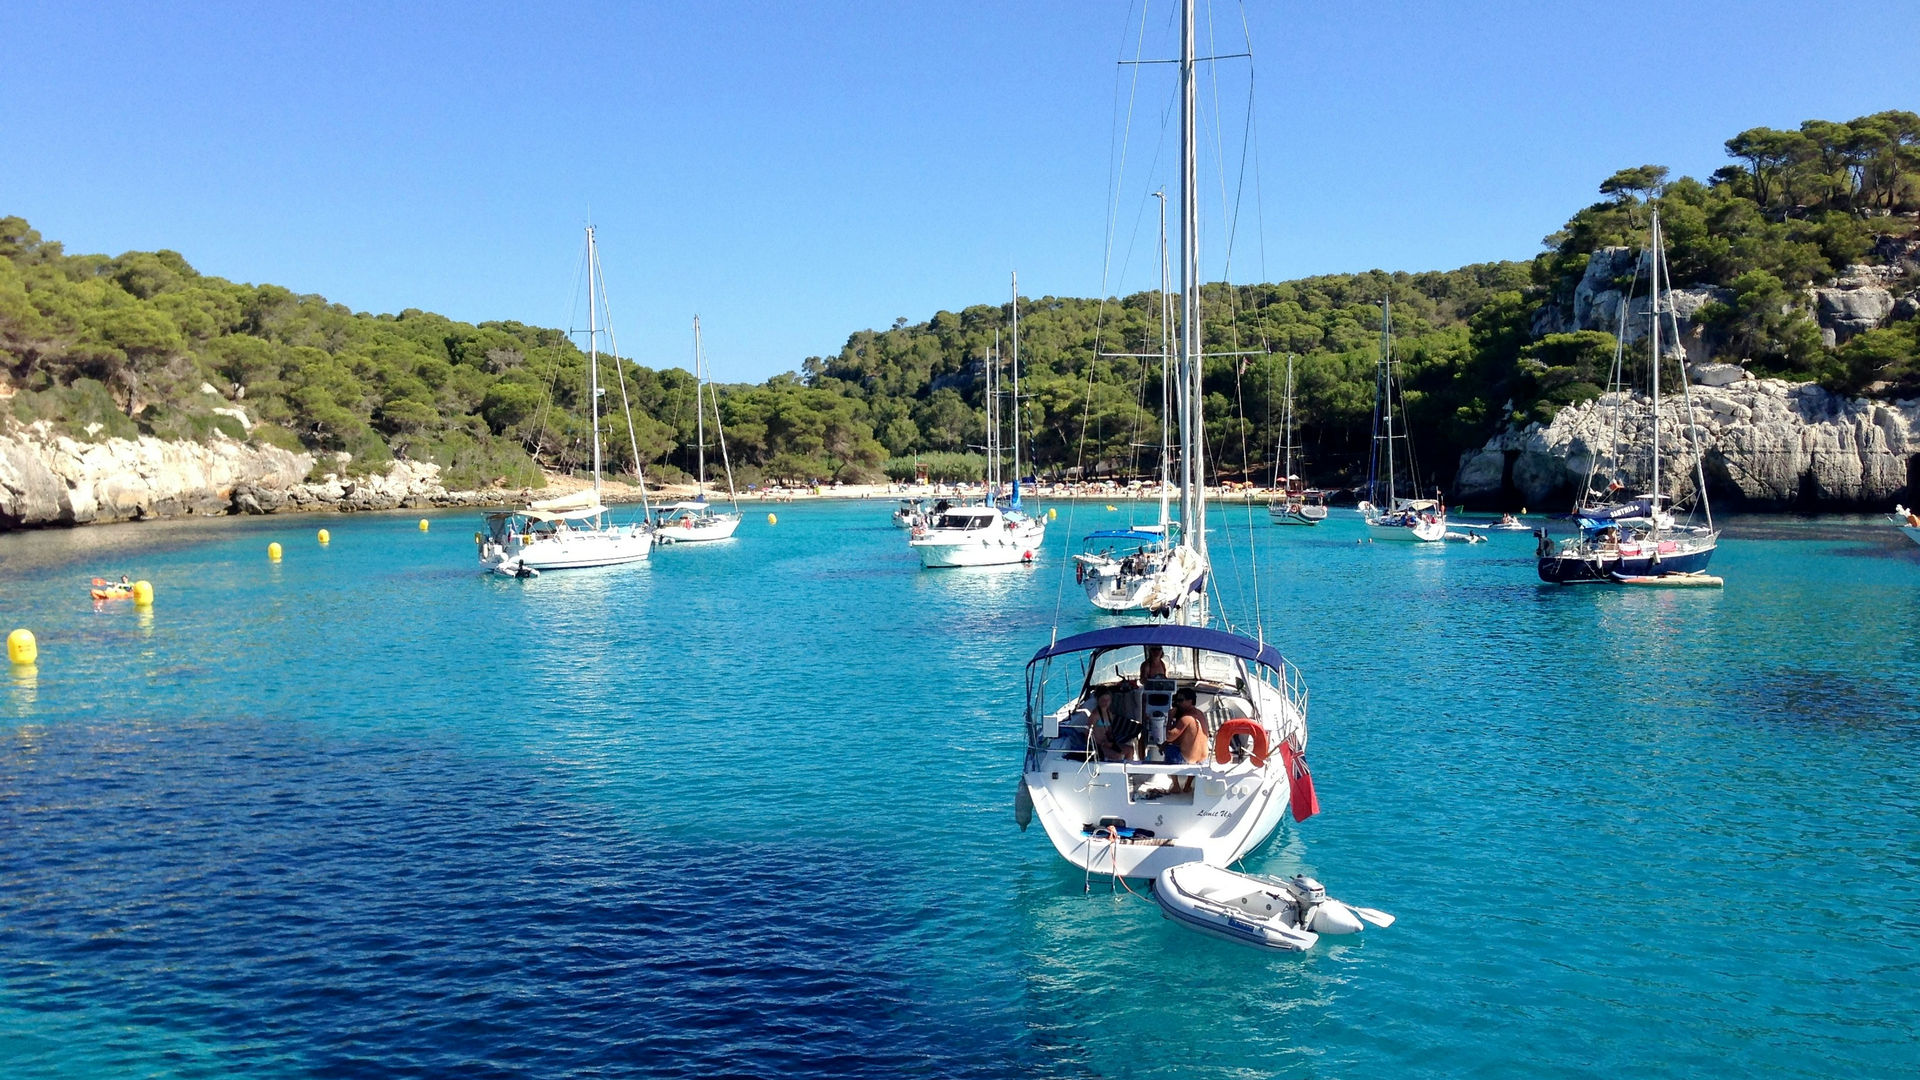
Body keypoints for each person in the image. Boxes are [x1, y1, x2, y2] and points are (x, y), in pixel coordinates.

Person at [1163, 688, 1209, 792]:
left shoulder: (1186, 718)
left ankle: (1176, 786)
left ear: (1190, 701)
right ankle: (1187, 785)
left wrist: (1170, 718)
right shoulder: (1200, 714)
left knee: (1169, 749)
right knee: (1173, 745)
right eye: (1176, 700)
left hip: (1188, 760)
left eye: (1180, 700)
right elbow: (1187, 737)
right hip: (1203, 760)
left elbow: (1169, 737)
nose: (1177, 703)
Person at [1086, 688, 1139, 761]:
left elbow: (1109, 730)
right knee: (1117, 755)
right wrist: (1102, 744)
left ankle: (1127, 767)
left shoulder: (1109, 714)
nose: (1106, 702)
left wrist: (1112, 741)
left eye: (1108, 700)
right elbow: (1088, 735)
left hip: (1108, 743)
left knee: (1130, 750)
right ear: (1098, 700)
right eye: (1103, 700)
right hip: (1098, 745)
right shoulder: (1095, 715)